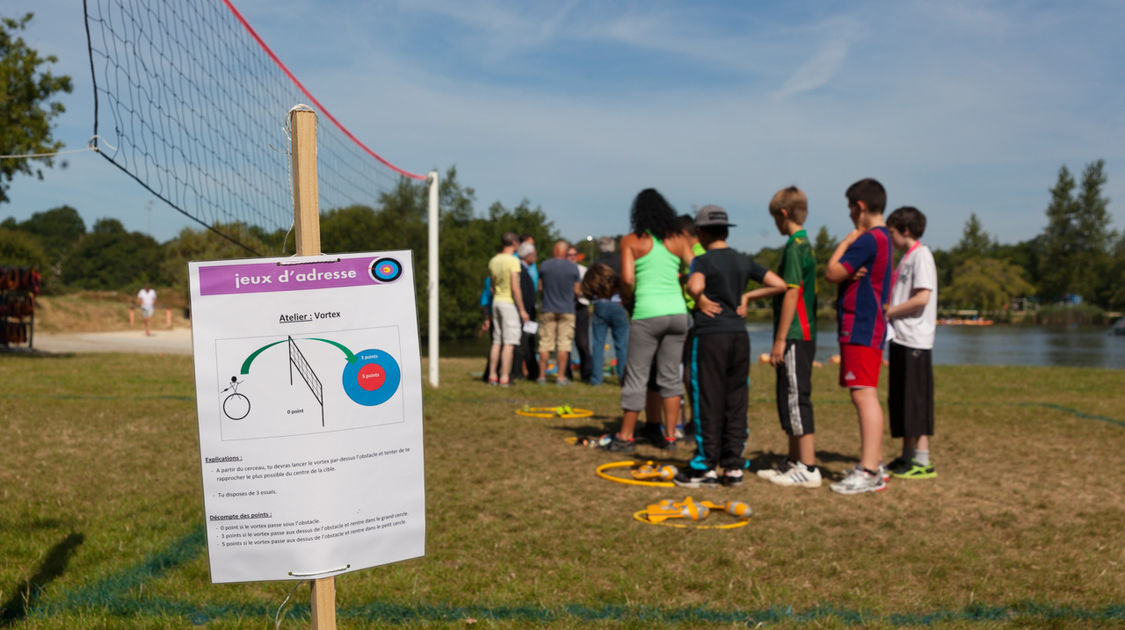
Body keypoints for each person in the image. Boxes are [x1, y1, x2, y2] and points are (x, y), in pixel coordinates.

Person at [675, 205, 785, 487]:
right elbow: (779, 284)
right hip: (739, 336)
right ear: (726, 231)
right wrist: (747, 296)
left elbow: (695, 287)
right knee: (736, 400)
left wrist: (696, 295)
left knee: (706, 399)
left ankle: (705, 466)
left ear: (699, 233)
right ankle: (733, 466)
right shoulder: (742, 260)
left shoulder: (702, 260)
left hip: (710, 336)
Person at [603, 188, 696, 452]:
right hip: (678, 314)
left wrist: (628, 296)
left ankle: (626, 437)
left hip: (647, 314)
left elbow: (629, 280)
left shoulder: (631, 240)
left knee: (636, 376)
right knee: (670, 377)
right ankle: (669, 437)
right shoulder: (678, 239)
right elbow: (698, 268)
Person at [825, 178, 893, 494]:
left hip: (862, 325)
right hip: (868, 324)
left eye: (851, 210)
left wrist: (846, 242)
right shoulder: (885, 238)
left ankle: (869, 471)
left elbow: (832, 272)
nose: (851, 216)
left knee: (863, 394)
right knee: (864, 393)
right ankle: (873, 464)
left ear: (860, 207)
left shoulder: (868, 239)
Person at [758, 186, 823, 488]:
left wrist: (780, 339)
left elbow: (792, 291)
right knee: (787, 396)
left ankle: (808, 468)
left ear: (783, 214)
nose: (775, 225)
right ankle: (794, 460)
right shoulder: (803, 244)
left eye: (775, 219)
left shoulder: (796, 246)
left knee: (797, 398)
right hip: (797, 334)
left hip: (796, 334)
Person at [884, 206, 938, 479]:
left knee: (916, 402)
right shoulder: (907, 257)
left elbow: (922, 297)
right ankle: (906, 456)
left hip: (916, 339)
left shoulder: (922, 256)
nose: (889, 237)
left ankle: (922, 460)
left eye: (891, 231)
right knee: (902, 400)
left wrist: (890, 312)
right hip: (900, 338)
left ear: (904, 230)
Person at [487, 232, 529, 386]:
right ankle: (505, 377)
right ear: (515, 244)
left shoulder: (493, 261)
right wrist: (522, 309)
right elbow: (515, 287)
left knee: (497, 341)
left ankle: (492, 376)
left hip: (496, 302)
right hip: (508, 304)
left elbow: (491, 287)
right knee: (509, 343)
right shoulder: (513, 261)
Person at [537, 241, 581, 385]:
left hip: (548, 308)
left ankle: (542, 377)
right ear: (565, 252)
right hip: (567, 310)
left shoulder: (544, 265)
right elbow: (577, 291)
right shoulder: (573, 268)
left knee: (545, 343)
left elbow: (540, 287)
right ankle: (561, 378)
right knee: (564, 344)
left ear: (554, 250)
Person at [588, 237, 628, 385]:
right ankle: (623, 378)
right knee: (621, 344)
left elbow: (590, 285)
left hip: (600, 304)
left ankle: (596, 379)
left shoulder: (595, 264)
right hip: (618, 304)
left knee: (598, 343)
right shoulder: (621, 261)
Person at [565, 245, 592, 382]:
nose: (572, 257)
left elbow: (589, 290)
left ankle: (586, 374)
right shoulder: (562, 270)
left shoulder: (583, 270)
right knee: (566, 343)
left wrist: (580, 292)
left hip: (581, 306)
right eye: (570, 255)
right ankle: (566, 373)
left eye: (574, 255)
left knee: (583, 343)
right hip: (566, 307)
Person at [514, 241, 541, 382]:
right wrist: (524, 311)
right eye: (534, 255)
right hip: (525, 313)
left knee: (528, 342)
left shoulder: (524, 270)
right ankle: (519, 372)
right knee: (524, 342)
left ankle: (530, 372)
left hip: (527, 312)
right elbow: (523, 293)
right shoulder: (520, 270)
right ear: (528, 255)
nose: (536, 258)